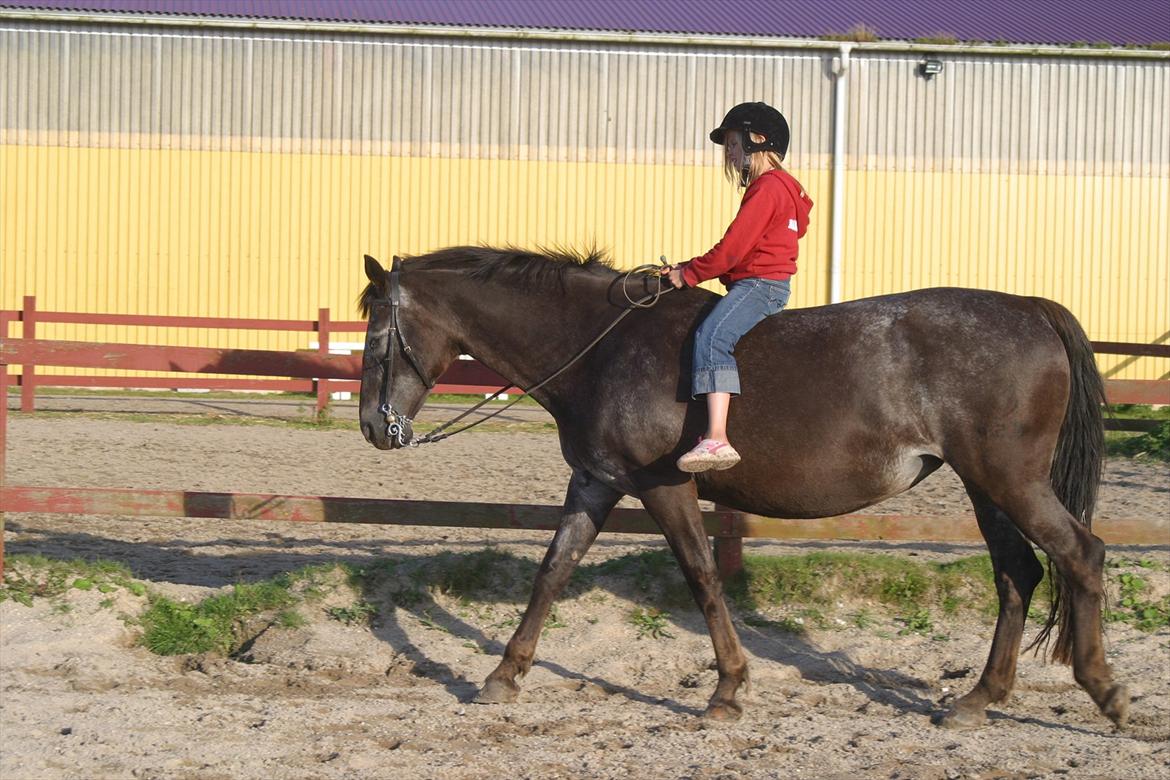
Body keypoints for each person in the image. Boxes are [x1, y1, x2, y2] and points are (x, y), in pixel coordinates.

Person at [662, 102, 813, 472]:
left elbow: (731, 249)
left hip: (759, 285)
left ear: (757, 141)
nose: (728, 153)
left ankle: (716, 438)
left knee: (712, 336)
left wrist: (688, 274)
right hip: (769, 282)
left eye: (732, 144)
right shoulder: (789, 189)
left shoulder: (767, 188)